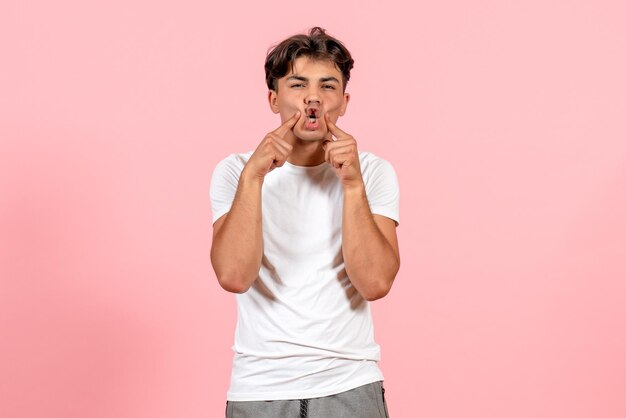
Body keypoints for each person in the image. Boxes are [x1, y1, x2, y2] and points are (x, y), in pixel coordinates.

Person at [210, 26, 400, 418]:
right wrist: (253, 177)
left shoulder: (374, 173)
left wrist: (352, 186)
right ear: (273, 98)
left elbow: (375, 283)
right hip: (258, 389)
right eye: (298, 85)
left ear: (343, 102)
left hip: (349, 385)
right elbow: (233, 275)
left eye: (327, 86)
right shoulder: (235, 172)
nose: (313, 98)